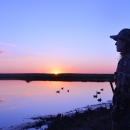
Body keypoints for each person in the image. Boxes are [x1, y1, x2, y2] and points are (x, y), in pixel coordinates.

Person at [110, 28, 130, 130]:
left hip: (125, 115)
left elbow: (122, 91)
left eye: (118, 40)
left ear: (125, 42)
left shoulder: (125, 61)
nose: (116, 43)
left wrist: (117, 111)